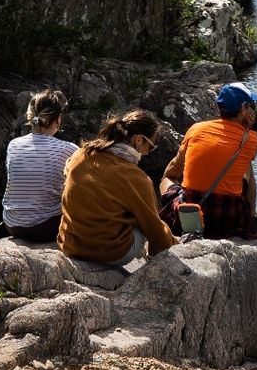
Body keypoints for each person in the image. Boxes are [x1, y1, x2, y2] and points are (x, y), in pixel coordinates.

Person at [57, 109, 178, 265]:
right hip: (111, 253)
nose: (148, 153)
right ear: (139, 139)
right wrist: (174, 243)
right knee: (142, 214)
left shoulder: (80, 154)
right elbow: (155, 231)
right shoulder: (135, 177)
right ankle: (151, 257)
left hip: (70, 245)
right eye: (151, 146)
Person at [163, 82, 257, 240]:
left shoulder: (195, 129)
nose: (252, 110)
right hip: (227, 217)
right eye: (250, 106)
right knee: (247, 168)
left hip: (190, 209)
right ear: (243, 108)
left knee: (167, 179)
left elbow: (173, 170)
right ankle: (252, 219)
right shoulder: (253, 139)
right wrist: (247, 131)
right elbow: (243, 168)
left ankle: (168, 221)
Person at [2, 89, 76, 242]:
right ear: (57, 119)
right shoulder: (69, 149)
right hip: (45, 227)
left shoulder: (14, 145)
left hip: (12, 225)